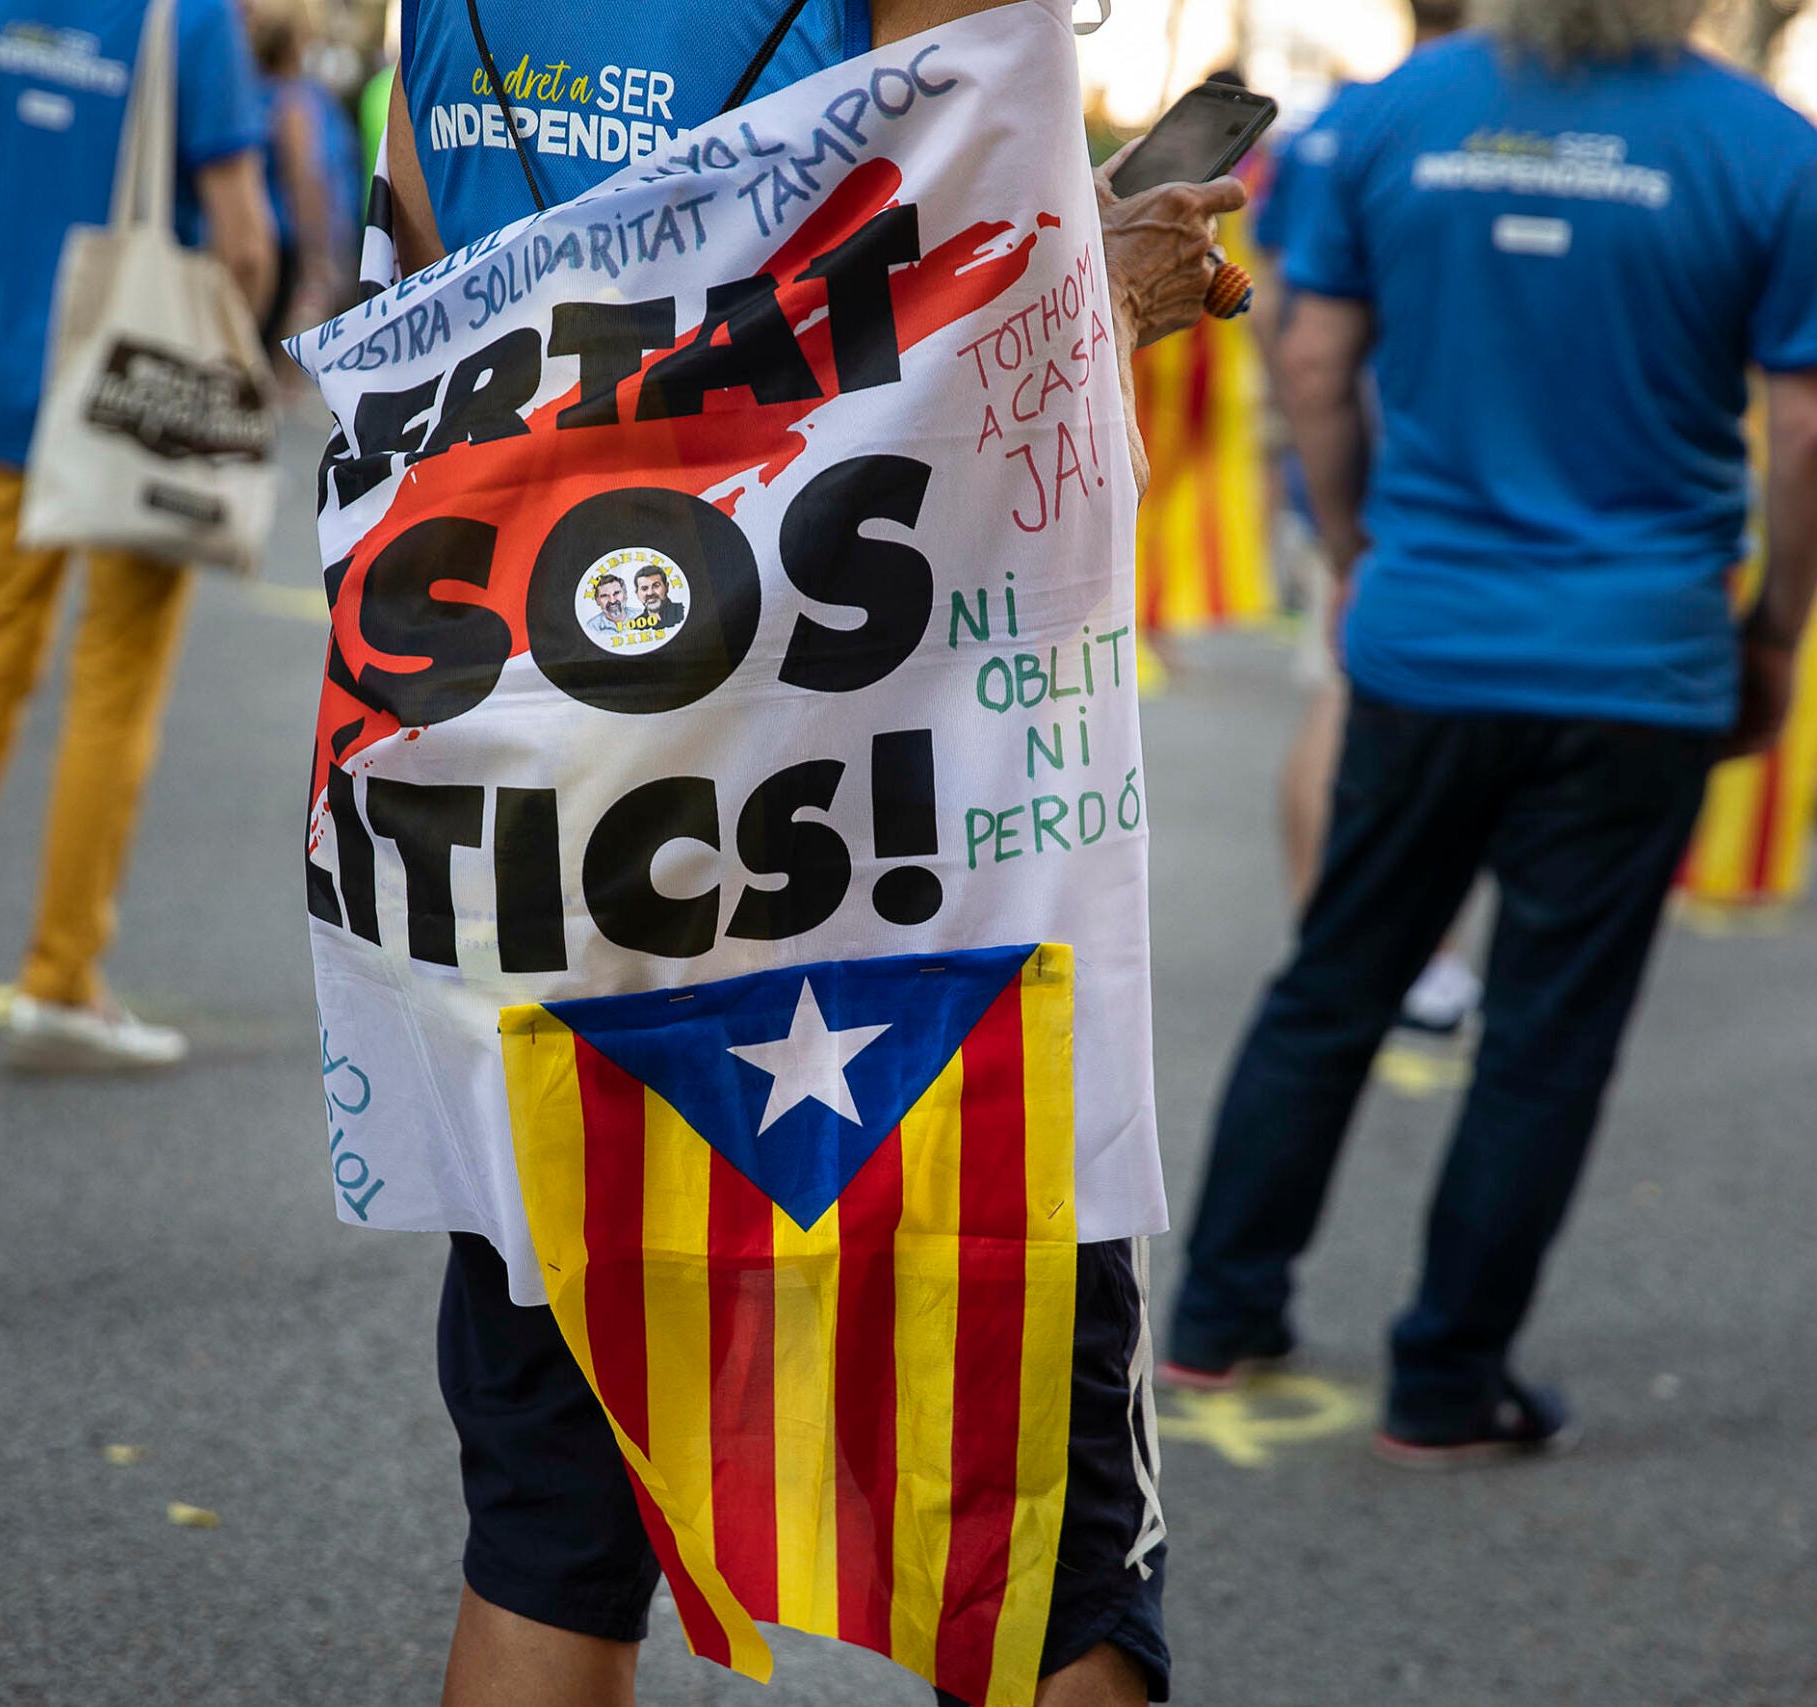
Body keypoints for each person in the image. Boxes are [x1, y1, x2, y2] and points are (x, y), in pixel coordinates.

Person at [377, 3, 1239, 1701]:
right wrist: (1113, 294)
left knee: (551, 1516)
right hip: (863, 821)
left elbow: (426, 283)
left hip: (530, 780)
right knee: (1041, 1543)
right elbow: (1003, 427)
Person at [1161, 0, 1817, 1462]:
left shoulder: (1393, 115)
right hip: (1639, 656)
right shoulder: (1766, 148)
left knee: (1334, 978)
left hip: (1427, 633)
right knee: (1546, 1036)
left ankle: (1218, 1323)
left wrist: (1360, 553)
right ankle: (1444, 1381)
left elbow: (1308, 363)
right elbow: (1815, 432)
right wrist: (1779, 630)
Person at [0, 0, 274, 1068]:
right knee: (115, 681)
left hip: (13, 371)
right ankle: (59, 978)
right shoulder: (186, 24)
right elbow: (242, 239)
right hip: (135, 389)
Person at [1249, 0, 1480, 1034]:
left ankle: (1329, 937)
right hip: (1428, 474)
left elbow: (1275, 302)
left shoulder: (1344, 120)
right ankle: (1393, 950)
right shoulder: (1477, 116)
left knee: (1342, 694)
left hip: (1343, 452)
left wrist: (1299, 430)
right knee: (1375, 704)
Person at [247, 0, 347, 346]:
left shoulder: (249, 94)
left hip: (248, 235)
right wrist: (317, 261)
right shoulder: (294, 102)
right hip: (279, 248)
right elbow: (305, 181)